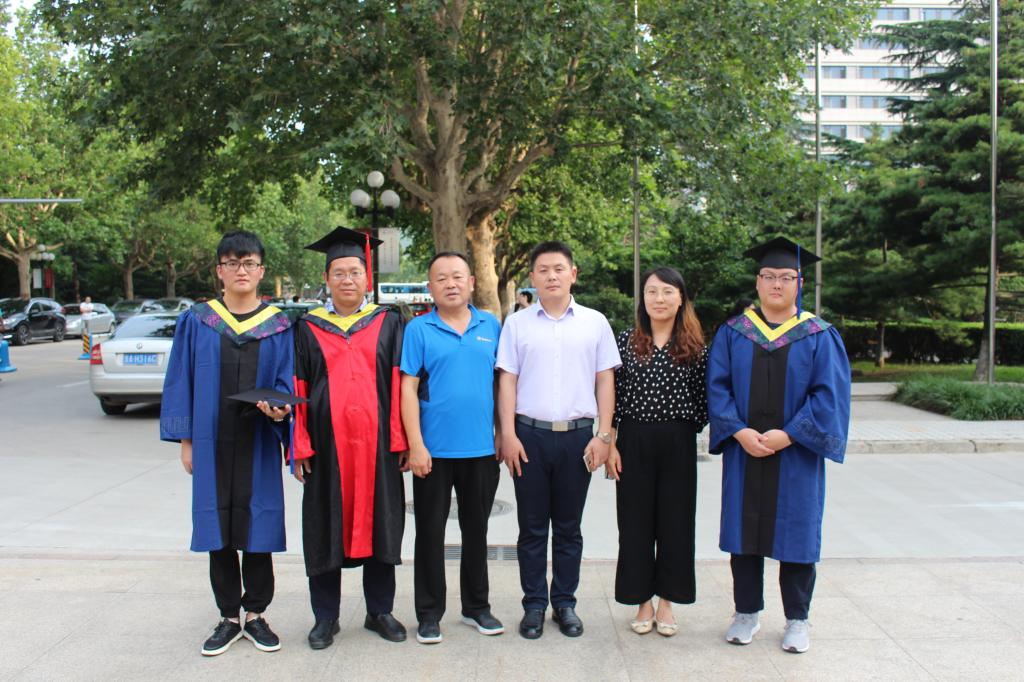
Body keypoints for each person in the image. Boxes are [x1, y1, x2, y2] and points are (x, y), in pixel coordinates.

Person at [706, 236, 851, 654]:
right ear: (757, 281)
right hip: (745, 450)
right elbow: (717, 387)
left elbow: (829, 396)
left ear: (799, 283)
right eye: (769, 276)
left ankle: (797, 619)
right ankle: (746, 612)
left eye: (786, 277)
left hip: (796, 454)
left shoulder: (818, 334)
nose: (776, 284)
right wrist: (738, 431)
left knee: (797, 533)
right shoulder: (734, 333)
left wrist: (790, 434)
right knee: (743, 532)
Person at [160, 231, 294, 656]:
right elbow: (181, 378)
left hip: (258, 441)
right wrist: (185, 441)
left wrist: (281, 412)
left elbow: (286, 382)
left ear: (261, 271)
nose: (241, 270)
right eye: (233, 263)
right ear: (219, 271)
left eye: (249, 262)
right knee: (216, 526)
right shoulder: (198, 320)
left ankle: (255, 614)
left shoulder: (278, 325)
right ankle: (228, 617)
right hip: (210, 441)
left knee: (258, 525)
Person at [291, 226, 410, 649]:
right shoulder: (307, 328)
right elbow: (297, 385)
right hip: (327, 449)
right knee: (324, 526)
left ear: (367, 277)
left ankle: (380, 611)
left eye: (354, 272)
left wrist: (401, 440)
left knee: (383, 525)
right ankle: (325, 618)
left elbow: (401, 384)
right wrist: (300, 446)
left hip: (378, 448)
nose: (347, 279)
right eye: (338, 273)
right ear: (326, 279)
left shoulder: (388, 322)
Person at [496, 240, 621, 640]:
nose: (551, 276)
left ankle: (564, 603)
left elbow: (605, 379)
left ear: (573, 274)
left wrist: (604, 435)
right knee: (532, 528)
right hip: (528, 437)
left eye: (559, 269)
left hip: (578, 439)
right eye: (543, 270)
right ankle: (534, 605)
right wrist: (508, 434)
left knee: (569, 528)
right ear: (532, 277)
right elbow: (507, 380)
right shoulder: (517, 324)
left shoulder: (595, 322)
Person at [400, 251, 504, 645]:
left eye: (457, 276)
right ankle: (429, 613)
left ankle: (477, 606)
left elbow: (502, 384)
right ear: (430, 286)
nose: (450, 284)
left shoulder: (490, 325)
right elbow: (407, 388)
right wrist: (416, 444)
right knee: (430, 533)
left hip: (481, 450)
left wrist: (502, 433)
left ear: (472, 282)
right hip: (433, 452)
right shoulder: (419, 329)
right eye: (441, 278)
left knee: (477, 530)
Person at [605, 266, 707, 638]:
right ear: (643, 298)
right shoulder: (625, 341)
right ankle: (641, 601)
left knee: (676, 524)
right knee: (634, 525)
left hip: (678, 442)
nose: (658, 299)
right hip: (633, 441)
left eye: (667, 292)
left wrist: (684, 431)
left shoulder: (695, 345)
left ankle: (667, 602)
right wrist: (610, 442)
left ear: (680, 299)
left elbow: (703, 400)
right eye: (651, 291)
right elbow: (612, 396)